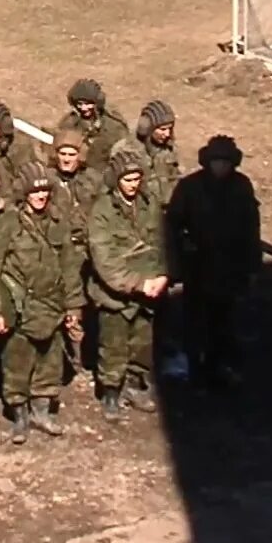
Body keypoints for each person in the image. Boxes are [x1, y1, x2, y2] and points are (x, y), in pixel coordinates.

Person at [0, 165, 85, 443]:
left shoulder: (58, 223)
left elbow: (70, 267)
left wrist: (73, 308)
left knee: (49, 364)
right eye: (34, 191)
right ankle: (19, 417)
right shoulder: (9, 224)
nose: (40, 196)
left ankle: (41, 411)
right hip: (21, 310)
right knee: (17, 365)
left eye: (45, 190)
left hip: (52, 308)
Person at [168, 135, 263, 392]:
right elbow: (173, 224)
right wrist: (178, 261)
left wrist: (253, 267)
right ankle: (195, 367)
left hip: (230, 268)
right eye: (216, 162)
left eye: (225, 162)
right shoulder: (190, 187)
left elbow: (251, 229)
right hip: (198, 266)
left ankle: (220, 365)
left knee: (224, 320)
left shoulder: (242, 187)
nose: (220, 167)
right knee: (195, 320)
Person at [86, 148, 166, 421]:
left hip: (147, 292)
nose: (132, 185)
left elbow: (163, 243)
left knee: (142, 344)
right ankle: (111, 392)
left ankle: (136, 385)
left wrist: (163, 275)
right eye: (127, 179)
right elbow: (104, 259)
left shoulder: (149, 204)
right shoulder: (102, 211)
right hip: (116, 296)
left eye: (136, 178)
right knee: (113, 346)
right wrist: (137, 283)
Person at [58, 78, 131, 171]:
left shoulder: (114, 126)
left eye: (88, 104)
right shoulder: (69, 123)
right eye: (79, 104)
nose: (83, 108)